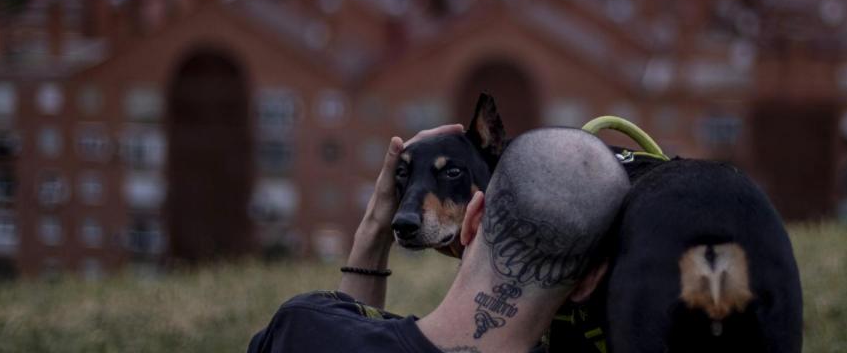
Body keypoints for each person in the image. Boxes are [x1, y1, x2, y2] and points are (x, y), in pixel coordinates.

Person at [248, 124, 630, 353]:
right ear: (588, 280)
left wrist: (376, 227)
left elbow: (353, 327)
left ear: (473, 218)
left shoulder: (302, 329)